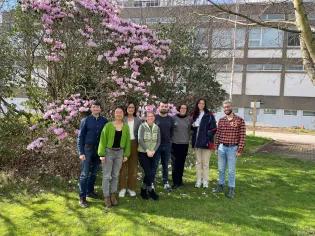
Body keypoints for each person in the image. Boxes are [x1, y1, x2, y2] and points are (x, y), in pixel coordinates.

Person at [98, 107, 131, 208]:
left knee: (116, 175)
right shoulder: (108, 126)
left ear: (123, 114)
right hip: (108, 152)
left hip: (119, 153)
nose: (118, 114)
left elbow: (127, 141)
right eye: (117, 112)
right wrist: (101, 154)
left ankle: (113, 195)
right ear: (114, 114)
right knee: (107, 176)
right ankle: (106, 196)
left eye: (120, 112)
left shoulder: (125, 127)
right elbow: (102, 139)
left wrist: (126, 154)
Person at [213, 100, 246, 199]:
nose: (226, 109)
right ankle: (221, 185)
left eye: (228, 107)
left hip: (233, 148)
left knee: (231, 170)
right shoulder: (221, 120)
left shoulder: (239, 120)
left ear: (231, 107)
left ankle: (231, 188)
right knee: (221, 169)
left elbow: (242, 136)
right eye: (224, 107)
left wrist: (239, 149)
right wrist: (216, 147)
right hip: (222, 148)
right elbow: (218, 135)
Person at [78, 101, 108, 208]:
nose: (96, 109)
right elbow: (80, 137)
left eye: (97, 107)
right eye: (94, 107)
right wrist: (81, 152)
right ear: (91, 109)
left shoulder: (104, 121)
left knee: (94, 172)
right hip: (87, 149)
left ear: (100, 109)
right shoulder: (85, 120)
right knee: (85, 173)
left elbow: (106, 137)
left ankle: (90, 191)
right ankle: (82, 197)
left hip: (99, 150)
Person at [191, 98, 217, 188]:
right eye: (199, 103)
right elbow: (192, 128)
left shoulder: (209, 115)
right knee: (198, 163)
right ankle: (198, 180)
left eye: (203, 103)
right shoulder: (194, 115)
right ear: (197, 104)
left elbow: (214, 129)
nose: (201, 105)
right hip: (197, 143)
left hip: (206, 143)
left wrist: (206, 137)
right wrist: (193, 125)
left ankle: (205, 181)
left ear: (205, 105)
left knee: (205, 163)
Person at [118, 102, 142, 197]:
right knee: (123, 167)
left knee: (133, 167)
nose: (131, 109)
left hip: (134, 144)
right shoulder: (122, 119)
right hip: (123, 144)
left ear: (134, 109)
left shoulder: (138, 120)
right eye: (129, 107)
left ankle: (131, 188)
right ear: (126, 109)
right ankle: (122, 188)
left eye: (132, 107)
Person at [138, 111, 161, 200]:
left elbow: (159, 141)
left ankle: (143, 189)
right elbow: (140, 139)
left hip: (153, 153)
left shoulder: (157, 127)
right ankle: (151, 190)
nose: (150, 118)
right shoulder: (142, 126)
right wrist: (147, 150)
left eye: (152, 116)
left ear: (154, 118)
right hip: (143, 153)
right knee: (148, 172)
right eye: (149, 116)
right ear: (146, 118)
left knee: (152, 172)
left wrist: (153, 151)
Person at [153, 101, 174, 191]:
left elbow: (172, 132)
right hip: (156, 145)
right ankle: (151, 182)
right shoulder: (155, 118)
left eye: (166, 106)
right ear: (159, 107)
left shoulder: (170, 119)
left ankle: (165, 182)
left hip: (167, 145)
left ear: (167, 108)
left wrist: (169, 140)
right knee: (154, 164)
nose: (164, 107)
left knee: (165, 164)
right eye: (162, 106)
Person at [171, 104, 191, 189]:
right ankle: (175, 182)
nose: (183, 109)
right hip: (175, 144)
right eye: (182, 108)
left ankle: (180, 181)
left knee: (181, 163)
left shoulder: (189, 119)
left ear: (186, 110)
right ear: (179, 109)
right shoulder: (173, 118)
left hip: (184, 144)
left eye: (185, 108)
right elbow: (170, 130)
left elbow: (190, 130)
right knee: (175, 164)